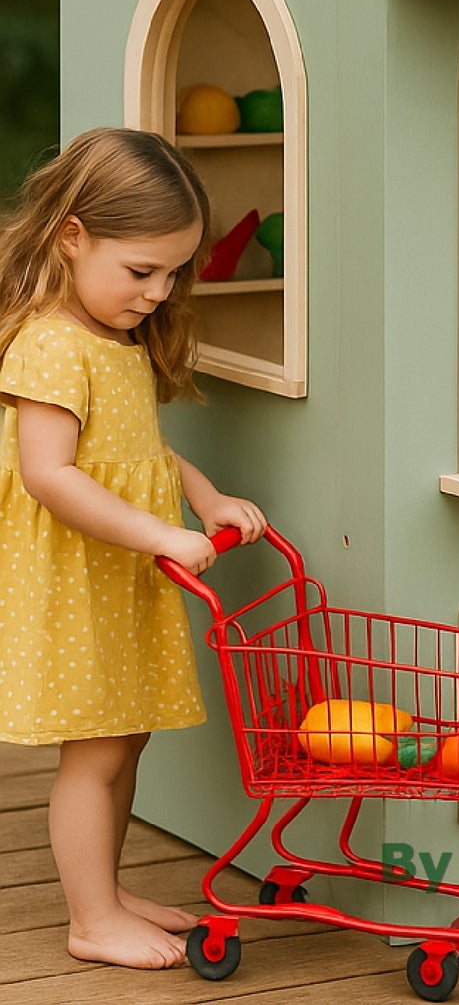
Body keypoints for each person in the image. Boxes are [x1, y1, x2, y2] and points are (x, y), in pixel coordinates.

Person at [0, 127, 269, 971]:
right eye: (141, 270)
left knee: (127, 738)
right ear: (71, 235)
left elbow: (135, 449)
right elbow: (49, 473)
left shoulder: (113, 339)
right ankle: (90, 917)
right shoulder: (49, 340)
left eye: (173, 273)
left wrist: (204, 495)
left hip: (122, 569)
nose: (158, 292)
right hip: (78, 573)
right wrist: (158, 531)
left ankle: (107, 893)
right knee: (98, 747)